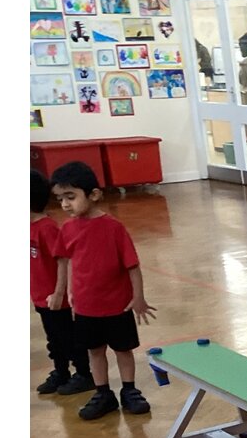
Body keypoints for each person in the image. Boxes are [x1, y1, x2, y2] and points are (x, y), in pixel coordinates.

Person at [48, 161, 157, 421]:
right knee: (95, 351)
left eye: (71, 197)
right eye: (60, 199)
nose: (65, 204)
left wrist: (138, 297)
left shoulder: (114, 228)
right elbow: (65, 261)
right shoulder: (67, 229)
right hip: (86, 308)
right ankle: (103, 393)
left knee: (123, 350)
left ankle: (129, 391)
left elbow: (132, 266)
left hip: (118, 305)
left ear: (94, 194)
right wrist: (64, 292)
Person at [30, 170, 93, 395]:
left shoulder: (47, 228)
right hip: (40, 297)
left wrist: (59, 293)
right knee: (54, 339)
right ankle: (61, 371)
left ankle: (84, 374)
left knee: (69, 339)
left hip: (56, 299)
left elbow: (63, 261)